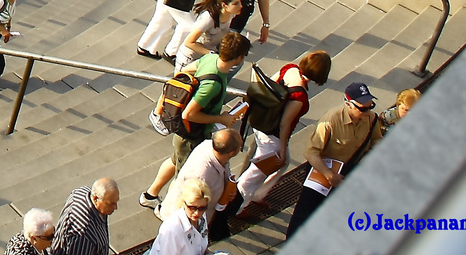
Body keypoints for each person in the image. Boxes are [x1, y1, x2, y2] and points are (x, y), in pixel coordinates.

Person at [139, 32, 251, 212]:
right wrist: (221, 118)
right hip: (192, 136)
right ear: (239, 58)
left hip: (184, 136)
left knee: (175, 160)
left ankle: (150, 195)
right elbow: (189, 114)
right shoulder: (212, 85)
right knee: (182, 177)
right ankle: (165, 211)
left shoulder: (210, 58)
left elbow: (185, 72)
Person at [235, 50, 332, 210]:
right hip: (272, 134)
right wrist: (281, 147)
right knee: (255, 174)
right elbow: (285, 124)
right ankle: (236, 205)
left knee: (284, 161)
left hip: (261, 122)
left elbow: (266, 86)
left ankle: (258, 194)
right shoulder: (299, 96)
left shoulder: (290, 68)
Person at [284, 83, 384, 237]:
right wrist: (330, 176)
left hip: (347, 174)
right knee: (304, 214)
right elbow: (311, 153)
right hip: (322, 172)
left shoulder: (371, 119)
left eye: (371, 106)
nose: (367, 111)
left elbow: (376, 141)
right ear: (348, 104)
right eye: (362, 108)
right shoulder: (331, 119)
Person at [148, 176, 212, 255]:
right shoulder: (172, 230)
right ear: (183, 203)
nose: (197, 213)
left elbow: (201, 249)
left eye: (202, 208)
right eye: (192, 207)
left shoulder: (202, 217)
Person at [52, 179, 119, 255]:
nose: (115, 207)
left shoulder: (83, 191)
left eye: (116, 202)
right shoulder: (85, 235)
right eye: (110, 203)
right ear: (95, 199)